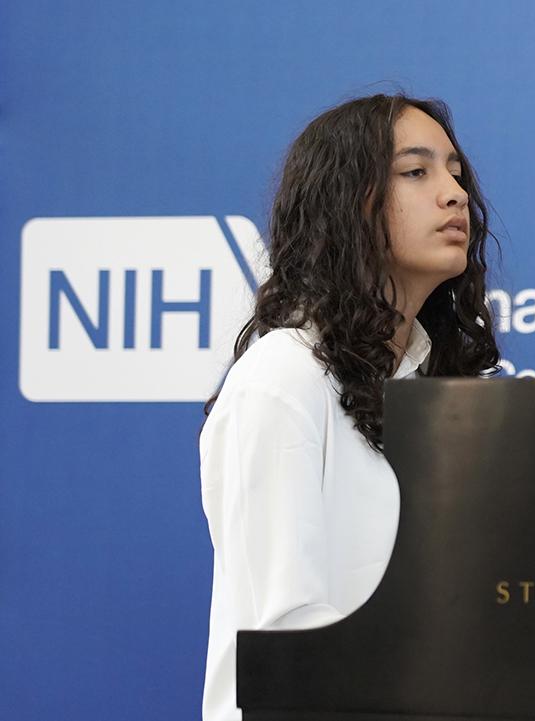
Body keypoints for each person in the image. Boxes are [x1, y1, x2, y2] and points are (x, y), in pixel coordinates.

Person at [198, 93, 500, 721]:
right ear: (348, 202)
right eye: (416, 172)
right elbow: (292, 636)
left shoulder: (445, 387)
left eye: (456, 173)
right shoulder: (283, 376)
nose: (454, 194)